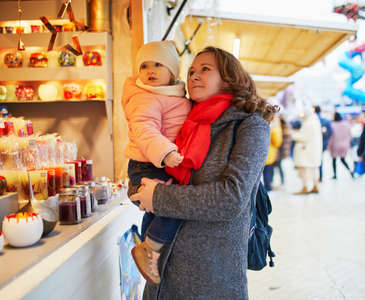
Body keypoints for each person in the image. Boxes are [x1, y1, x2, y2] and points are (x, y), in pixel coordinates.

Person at [129, 46, 278, 299]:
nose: (194, 76)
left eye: (205, 69)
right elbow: (146, 172)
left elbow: (231, 198)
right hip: (161, 270)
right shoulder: (181, 120)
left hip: (210, 275)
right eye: (191, 71)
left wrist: (159, 196)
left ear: (229, 77)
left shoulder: (250, 126)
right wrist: (139, 189)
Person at [121, 40, 191, 284]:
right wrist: (167, 152)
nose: (150, 71)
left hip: (158, 161)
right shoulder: (145, 98)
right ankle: (149, 249)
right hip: (149, 162)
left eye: (158, 65)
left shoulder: (171, 95)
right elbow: (144, 130)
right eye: (144, 66)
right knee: (173, 204)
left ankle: (150, 253)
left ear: (172, 71)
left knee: (157, 208)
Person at [291, 107, 323, 194]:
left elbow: (304, 137)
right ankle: (315, 186)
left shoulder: (309, 123)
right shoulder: (315, 121)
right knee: (314, 168)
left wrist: (293, 135)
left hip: (305, 150)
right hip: (313, 150)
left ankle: (305, 187)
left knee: (303, 169)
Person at [328, 112, 353, 179]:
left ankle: (335, 174)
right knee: (343, 159)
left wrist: (329, 146)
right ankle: (350, 172)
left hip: (335, 145)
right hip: (344, 145)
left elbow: (331, 137)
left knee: (334, 160)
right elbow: (350, 135)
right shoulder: (346, 125)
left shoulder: (332, 125)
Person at [263, 116, 282, 191]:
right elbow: (277, 142)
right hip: (269, 152)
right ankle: (268, 188)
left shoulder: (265, 124)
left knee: (266, 171)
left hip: (265, 151)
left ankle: (267, 187)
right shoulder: (275, 128)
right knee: (268, 171)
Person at [272, 115, 292, 187]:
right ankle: (278, 181)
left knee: (277, 166)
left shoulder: (284, 127)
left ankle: (281, 181)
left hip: (280, 150)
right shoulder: (284, 126)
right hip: (279, 149)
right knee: (276, 166)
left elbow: (285, 140)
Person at [314, 105, 332, 181]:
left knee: (314, 160)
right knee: (320, 160)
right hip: (323, 143)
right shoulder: (325, 121)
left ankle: (316, 177)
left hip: (314, 143)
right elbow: (330, 132)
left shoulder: (313, 120)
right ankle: (320, 176)